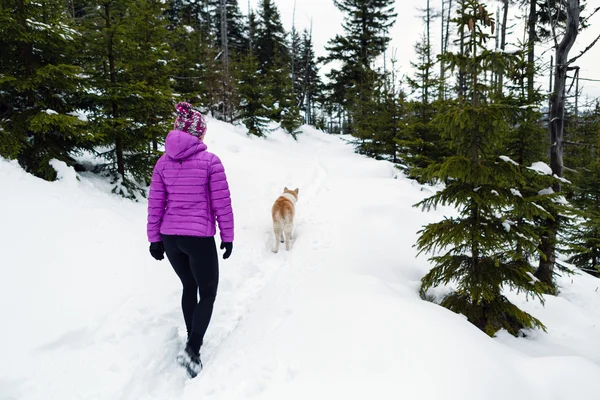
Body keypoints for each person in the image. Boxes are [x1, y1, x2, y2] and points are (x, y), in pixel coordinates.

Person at [146, 102, 234, 378]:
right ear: (198, 134)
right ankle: (192, 348)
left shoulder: (163, 162)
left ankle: (190, 338)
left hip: (170, 237)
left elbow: (155, 203)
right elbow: (222, 203)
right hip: (198, 238)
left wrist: (154, 238)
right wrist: (228, 236)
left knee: (188, 285)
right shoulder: (210, 162)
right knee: (207, 292)